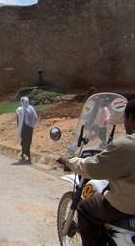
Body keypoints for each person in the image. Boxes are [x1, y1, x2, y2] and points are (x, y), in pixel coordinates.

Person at [58, 99, 135, 246]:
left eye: (125, 118)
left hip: (127, 205)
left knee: (85, 208)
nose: (124, 122)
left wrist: (69, 161)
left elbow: (93, 168)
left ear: (131, 118)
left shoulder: (124, 145)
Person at [15, 96, 38, 163]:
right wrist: (32, 124)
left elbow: (18, 120)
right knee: (28, 141)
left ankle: (28, 156)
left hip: (23, 128)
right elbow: (36, 117)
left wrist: (19, 128)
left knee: (24, 141)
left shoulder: (20, 109)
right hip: (30, 128)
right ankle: (23, 154)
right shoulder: (31, 108)